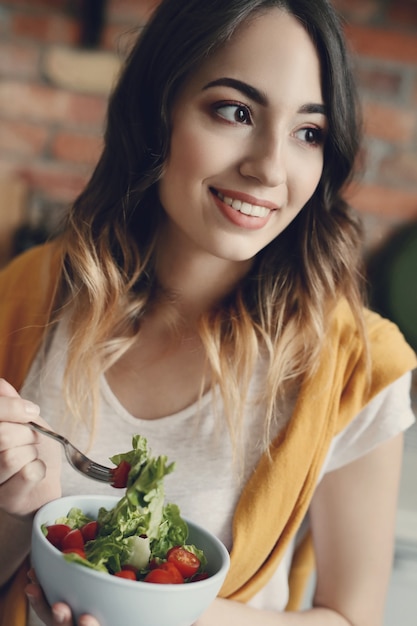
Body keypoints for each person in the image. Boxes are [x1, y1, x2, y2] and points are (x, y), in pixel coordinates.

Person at [0, 0, 416, 625]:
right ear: (156, 114)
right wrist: (9, 515)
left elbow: (352, 619)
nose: (270, 167)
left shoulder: (356, 365)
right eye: (235, 111)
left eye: (310, 132)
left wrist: (164, 613)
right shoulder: (28, 294)